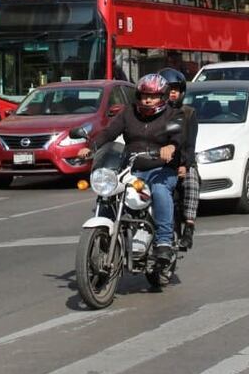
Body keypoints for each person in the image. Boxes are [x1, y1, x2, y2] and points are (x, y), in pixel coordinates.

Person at [78, 74, 182, 264]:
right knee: (110, 193)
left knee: (159, 191)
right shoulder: (128, 113)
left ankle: (164, 241)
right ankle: (105, 233)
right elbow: (109, 133)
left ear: (163, 96)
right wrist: (91, 148)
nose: (148, 100)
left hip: (159, 169)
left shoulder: (171, 114)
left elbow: (178, 135)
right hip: (131, 169)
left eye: (154, 96)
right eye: (144, 96)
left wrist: (171, 147)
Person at [159, 67, 199, 252]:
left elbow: (190, 144)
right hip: (157, 164)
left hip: (182, 162)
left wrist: (186, 165)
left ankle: (189, 229)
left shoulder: (189, 113)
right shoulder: (152, 112)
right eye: (169, 88)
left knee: (192, 181)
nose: (172, 92)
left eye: (176, 89)